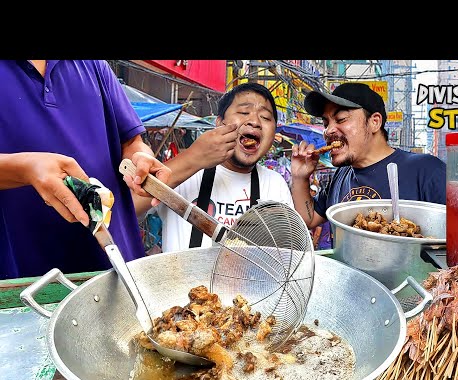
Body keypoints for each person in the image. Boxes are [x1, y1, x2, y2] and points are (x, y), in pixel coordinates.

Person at [0, 60, 170, 280]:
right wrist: (24, 169)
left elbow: (131, 142)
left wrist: (141, 160)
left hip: (117, 262)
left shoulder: (93, 65)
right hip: (25, 276)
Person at [130, 82, 293, 253]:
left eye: (266, 118)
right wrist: (194, 157)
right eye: (244, 112)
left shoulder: (275, 184)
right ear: (220, 123)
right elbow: (125, 209)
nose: (254, 121)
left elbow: (286, 252)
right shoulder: (185, 171)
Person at [289, 82, 446, 230]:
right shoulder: (340, 177)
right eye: (326, 124)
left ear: (374, 122)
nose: (328, 131)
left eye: (341, 119)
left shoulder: (426, 170)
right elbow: (308, 219)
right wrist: (300, 177)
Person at [309, 184, 332, 250]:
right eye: (310, 190)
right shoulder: (330, 211)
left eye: (313, 191)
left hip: (323, 246)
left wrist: (312, 247)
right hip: (330, 245)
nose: (311, 192)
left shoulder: (320, 214)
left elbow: (317, 234)